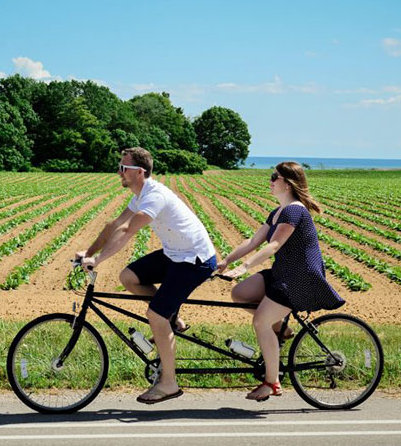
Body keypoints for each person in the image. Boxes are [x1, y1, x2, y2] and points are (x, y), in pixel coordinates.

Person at [77, 147, 217, 404]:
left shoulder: (154, 196)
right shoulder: (139, 194)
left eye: (124, 168)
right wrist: (88, 251)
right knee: (129, 277)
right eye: (120, 166)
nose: (119, 171)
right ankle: (173, 317)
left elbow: (129, 229)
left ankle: (169, 383)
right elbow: (115, 224)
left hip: (194, 259)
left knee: (155, 315)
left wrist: (97, 260)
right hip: (175, 253)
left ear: (140, 172)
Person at [219, 161, 345, 402]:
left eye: (274, 177)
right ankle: (282, 329)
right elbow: (253, 240)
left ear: (287, 184)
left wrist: (245, 266)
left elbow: (274, 245)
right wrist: (226, 261)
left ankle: (272, 381)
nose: (270, 180)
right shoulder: (277, 212)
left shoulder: (294, 211)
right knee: (241, 293)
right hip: (282, 272)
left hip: (299, 278)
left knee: (260, 322)